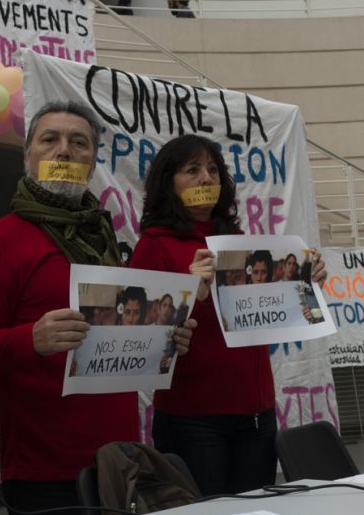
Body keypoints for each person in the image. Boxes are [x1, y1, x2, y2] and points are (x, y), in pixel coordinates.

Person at [0, 101, 197, 515]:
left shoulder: (105, 236)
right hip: (44, 472)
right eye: (50, 140)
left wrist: (163, 339)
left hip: (119, 460)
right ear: (28, 156)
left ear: (92, 161)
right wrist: (31, 339)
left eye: (79, 142)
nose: (64, 151)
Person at [131, 134, 325, 496]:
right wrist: (191, 293)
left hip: (258, 415)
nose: (207, 178)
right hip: (193, 420)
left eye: (213, 170)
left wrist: (305, 283)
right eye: (193, 170)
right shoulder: (153, 246)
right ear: (168, 182)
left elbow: (272, 314)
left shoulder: (239, 242)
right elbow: (143, 343)